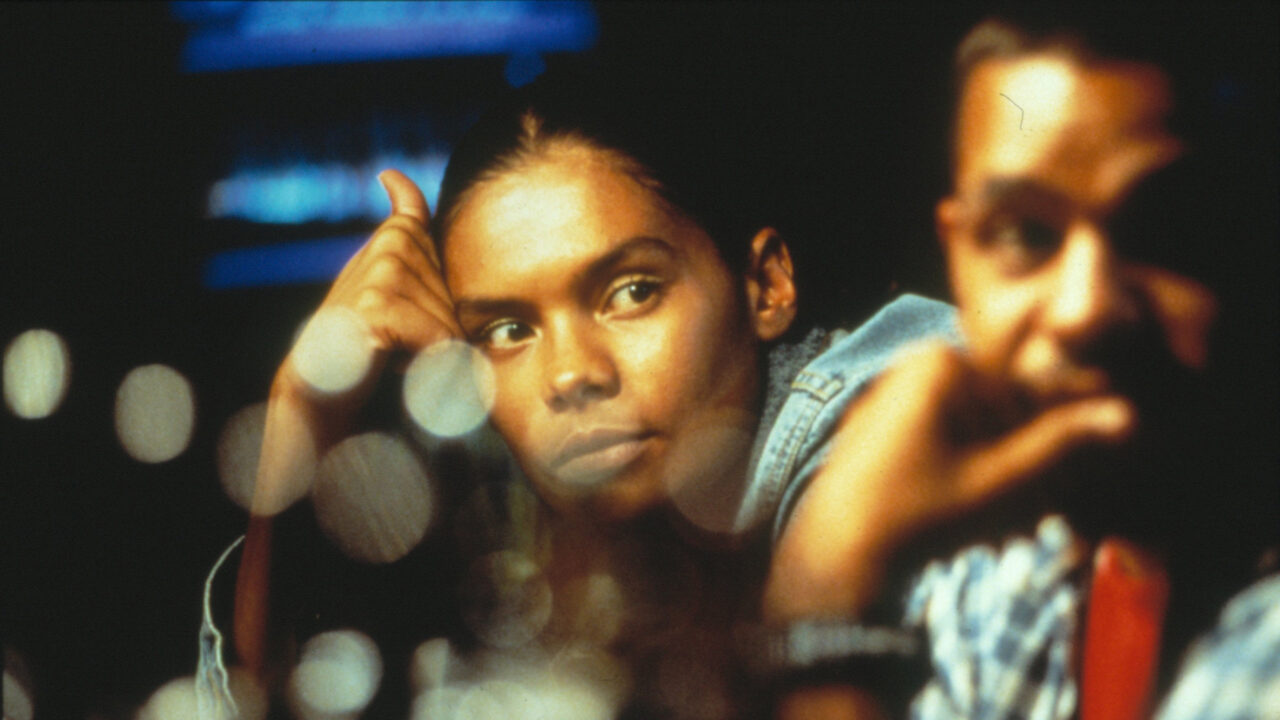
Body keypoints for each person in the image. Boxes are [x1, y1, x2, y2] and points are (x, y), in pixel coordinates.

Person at [232, 66, 958, 716]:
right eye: (508, 331)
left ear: (765, 286)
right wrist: (303, 407)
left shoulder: (885, 425)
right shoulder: (523, 538)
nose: (572, 375)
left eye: (632, 292)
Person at [764, 8, 1279, 720]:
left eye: (1170, 225)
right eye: (1024, 235)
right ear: (957, 255)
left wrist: (826, 599)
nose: (1083, 309)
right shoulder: (1001, 575)